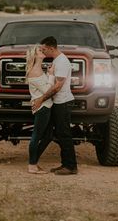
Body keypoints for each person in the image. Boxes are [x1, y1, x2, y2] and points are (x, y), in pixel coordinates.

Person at [32, 36, 78, 175]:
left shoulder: (62, 62)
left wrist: (41, 99)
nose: (43, 51)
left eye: (44, 49)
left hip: (63, 102)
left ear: (51, 48)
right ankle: (61, 164)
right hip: (57, 102)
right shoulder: (57, 61)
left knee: (64, 134)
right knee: (54, 133)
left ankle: (70, 167)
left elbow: (58, 87)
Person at [26, 44, 55, 174]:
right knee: (36, 135)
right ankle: (32, 165)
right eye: (39, 50)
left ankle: (34, 162)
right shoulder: (35, 71)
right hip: (42, 107)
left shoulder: (39, 70)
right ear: (35, 55)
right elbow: (48, 90)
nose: (42, 50)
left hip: (46, 106)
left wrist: (48, 74)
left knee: (48, 136)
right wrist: (51, 75)